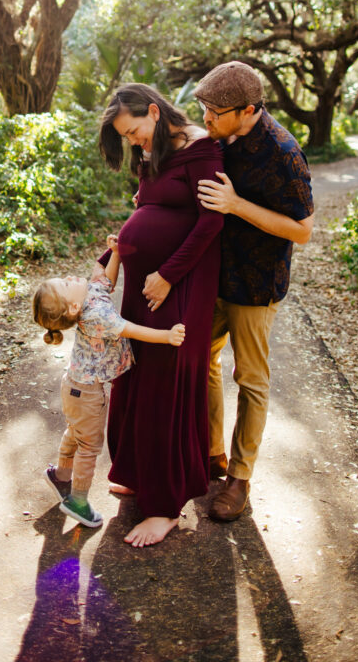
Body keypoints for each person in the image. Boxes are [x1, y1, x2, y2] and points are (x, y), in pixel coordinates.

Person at [98, 83, 223, 547]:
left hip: (182, 282)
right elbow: (148, 209)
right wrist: (114, 254)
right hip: (144, 283)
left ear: (154, 111)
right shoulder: (155, 151)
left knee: (166, 379)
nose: (134, 142)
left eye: (134, 131)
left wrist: (168, 274)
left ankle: (166, 505)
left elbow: (211, 222)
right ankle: (136, 471)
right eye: (127, 137)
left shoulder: (201, 148)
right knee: (136, 370)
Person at [195, 61, 314, 522]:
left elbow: (302, 231)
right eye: (202, 108)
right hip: (214, 275)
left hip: (256, 282)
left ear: (247, 111)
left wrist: (237, 205)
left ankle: (240, 478)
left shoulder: (284, 152)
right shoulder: (218, 135)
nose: (206, 119)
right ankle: (211, 455)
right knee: (199, 359)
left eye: (215, 112)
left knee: (251, 379)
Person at [33, 236, 186, 529]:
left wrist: (114, 253)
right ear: (74, 306)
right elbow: (130, 329)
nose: (69, 276)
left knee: (75, 432)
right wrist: (166, 336)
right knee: (89, 446)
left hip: (74, 387)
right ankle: (78, 501)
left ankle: (61, 476)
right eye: (65, 284)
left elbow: (104, 280)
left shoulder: (89, 296)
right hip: (88, 393)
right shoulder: (97, 316)